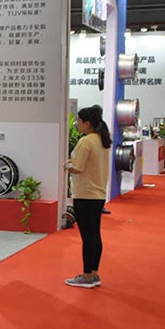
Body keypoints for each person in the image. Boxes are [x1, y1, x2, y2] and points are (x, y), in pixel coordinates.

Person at [64, 104, 112, 288]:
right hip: (98, 194)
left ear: (88, 123)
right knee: (94, 235)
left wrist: (67, 166)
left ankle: (86, 275)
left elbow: (78, 167)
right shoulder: (101, 140)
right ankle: (93, 273)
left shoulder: (86, 141)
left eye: (79, 121)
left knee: (88, 237)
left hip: (85, 194)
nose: (77, 124)